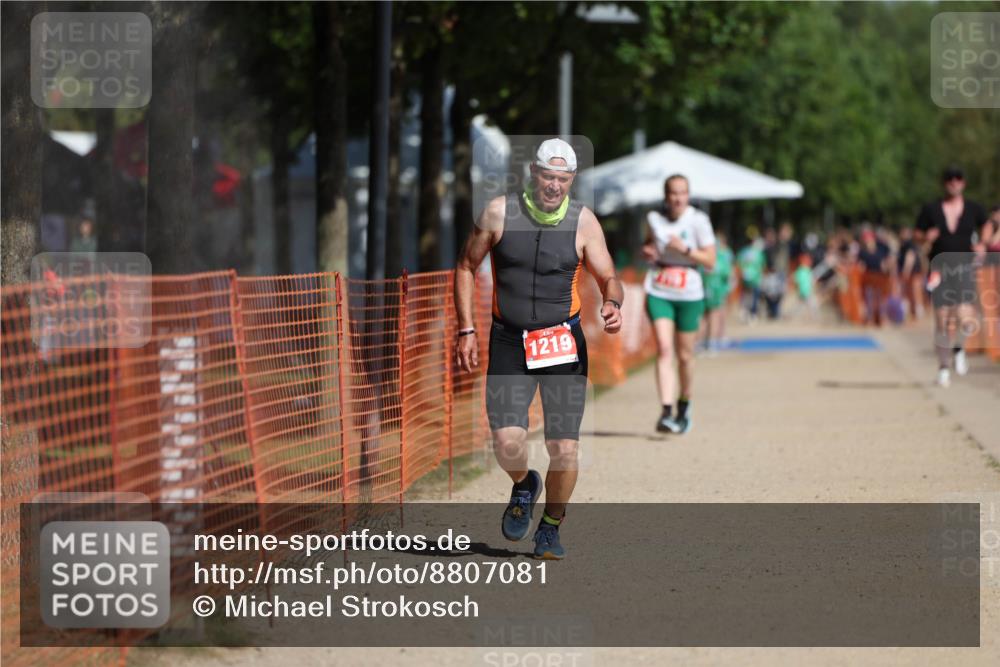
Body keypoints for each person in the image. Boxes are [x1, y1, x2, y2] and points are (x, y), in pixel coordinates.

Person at [454, 138, 623, 560]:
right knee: (506, 441)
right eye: (548, 176)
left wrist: (613, 302)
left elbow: (608, 275)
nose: (554, 186)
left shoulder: (584, 222)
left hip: (562, 343)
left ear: (572, 180)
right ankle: (525, 483)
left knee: (564, 448)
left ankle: (550, 526)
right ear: (533, 173)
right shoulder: (497, 212)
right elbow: (465, 267)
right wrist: (466, 329)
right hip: (509, 339)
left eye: (562, 179)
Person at [641, 175, 716, 434]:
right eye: (673, 193)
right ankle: (666, 410)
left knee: (684, 355)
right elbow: (649, 243)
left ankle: (684, 403)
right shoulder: (653, 219)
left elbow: (710, 261)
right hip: (659, 289)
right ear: (666, 196)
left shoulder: (698, 220)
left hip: (689, 291)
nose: (678, 198)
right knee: (664, 349)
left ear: (688, 195)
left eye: (682, 193)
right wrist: (648, 251)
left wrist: (685, 249)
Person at [915, 166, 992, 387]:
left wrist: (982, 244)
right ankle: (943, 368)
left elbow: (987, 224)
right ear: (944, 183)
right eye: (949, 179)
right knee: (942, 322)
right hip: (939, 269)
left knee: (965, 317)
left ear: (963, 183)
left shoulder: (973, 208)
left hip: (964, 267)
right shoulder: (931, 209)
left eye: (958, 179)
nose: (954, 182)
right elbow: (917, 234)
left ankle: (959, 348)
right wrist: (925, 236)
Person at [701, 229, 734, 353]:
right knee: (714, 315)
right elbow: (728, 275)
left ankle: (702, 341)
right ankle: (712, 341)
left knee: (704, 317)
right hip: (717, 291)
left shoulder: (703, 258)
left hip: (705, 291)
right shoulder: (721, 258)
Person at [857, 228, 892, 326]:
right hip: (869, 277)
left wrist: (887, 266)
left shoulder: (881, 248)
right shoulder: (862, 252)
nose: (867, 242)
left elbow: (888, 261)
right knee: (869, 299)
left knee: (881, 299)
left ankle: (882, 318)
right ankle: (870, 318)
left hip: (880, 277)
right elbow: (860, 265)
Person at [737, 233, 765, 323]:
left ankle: (744, 311)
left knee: (745, 295)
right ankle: (752, 314)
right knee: (754, 297)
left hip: (745, 276)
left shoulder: (743, 252)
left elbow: (739, 264)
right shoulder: (758, 253)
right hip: (755, 278)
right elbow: (762, 265)